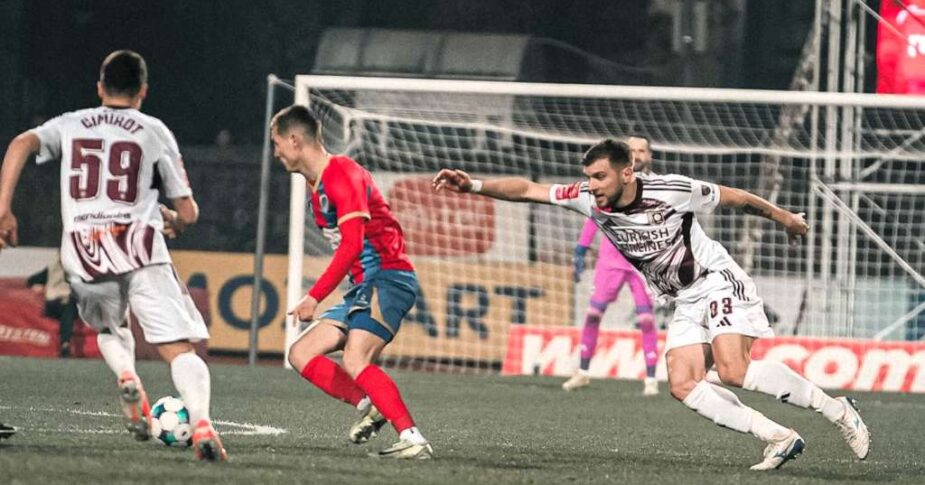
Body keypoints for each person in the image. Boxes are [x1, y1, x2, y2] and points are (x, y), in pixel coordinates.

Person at [432, 138, 870, 471]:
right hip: (684, 299)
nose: (592, 186)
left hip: (716, 279)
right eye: (589, 177)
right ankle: (778, 437)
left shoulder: (672, 190)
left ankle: (836, 410)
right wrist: (473, 185)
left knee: (732, 371)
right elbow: (529, 189)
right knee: (683, 384)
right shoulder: (587, 199)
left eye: (599, 177)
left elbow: (735, 197)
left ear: (626, 173)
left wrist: (786, 218)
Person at [0, 50, 225, 461]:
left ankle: (126, 373)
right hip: (141, 246)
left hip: (84, 250)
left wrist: (3, 208)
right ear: (143, 91)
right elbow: (189, 211)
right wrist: (176, 220)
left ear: (100, 87)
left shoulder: (71, 123)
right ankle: (202, 422)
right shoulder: (154, 130)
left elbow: (20, 143)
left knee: (111, 329)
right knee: (178, 349)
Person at [270, 105, 433, 460]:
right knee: (300, 353)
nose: (275, 152)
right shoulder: (316, 187)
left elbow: (353, 245)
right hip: (364, 286)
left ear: (294, 140)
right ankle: (370, 406)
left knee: (355, 358)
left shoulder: (342, 173)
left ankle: (413, 439)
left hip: (388, 277)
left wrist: (314, 296)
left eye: (276, 143)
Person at [565, 135, 660, 394]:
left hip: (641, 263)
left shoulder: (657, 187)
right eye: (632, 150)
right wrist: (580, 251)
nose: (637, 155)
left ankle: (651, 380)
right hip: (611, 259)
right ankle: (583, 372)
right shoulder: (611, 183)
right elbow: (593, 216)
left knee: (646, 320)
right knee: (593, 314)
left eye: (642, 151)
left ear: (649, 156)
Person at [27, 252, 78, 357]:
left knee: (69, 306)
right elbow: (31, 280)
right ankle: (65, 343)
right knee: (68, 308)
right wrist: (38, 286)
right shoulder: (53, 268)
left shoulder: (78, 270)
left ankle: (65, 344)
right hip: (55, 303)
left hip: (69, 303)